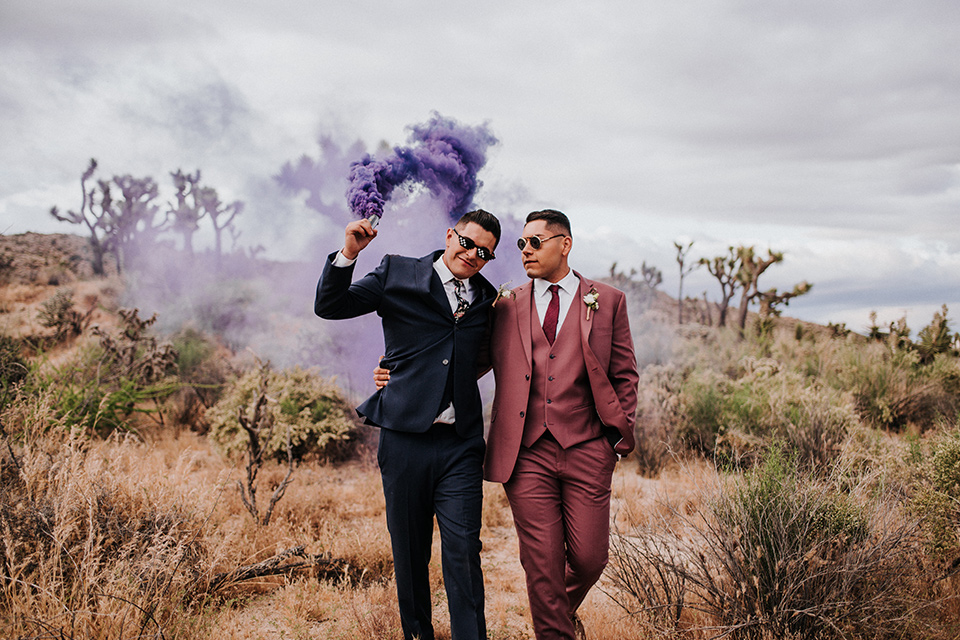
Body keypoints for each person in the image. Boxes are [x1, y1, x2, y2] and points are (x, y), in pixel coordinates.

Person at [378, 209, 639, 639]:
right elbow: (464, 360)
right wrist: (401, 373)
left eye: (536, 242)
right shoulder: (506, 304)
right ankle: (555, 629)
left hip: (588, 447)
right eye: (521, 244)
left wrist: (614, 437)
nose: (526, 251)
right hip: (526, 452)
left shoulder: (607, 300)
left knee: (591, 559)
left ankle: (557, 609)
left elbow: (625, 374)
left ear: (565, 244)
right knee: (541, 562)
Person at [315, 209, 501, 640]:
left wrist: (422, 373)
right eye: (468, 243)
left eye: (485, 253)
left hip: (460, 443)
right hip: (403, 440)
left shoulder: (488, 299)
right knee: (410, 552)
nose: (473, 255)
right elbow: (330, 306)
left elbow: (485, 356)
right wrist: (349, 252)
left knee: (463, 552)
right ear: (450, 234)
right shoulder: (397, 273)